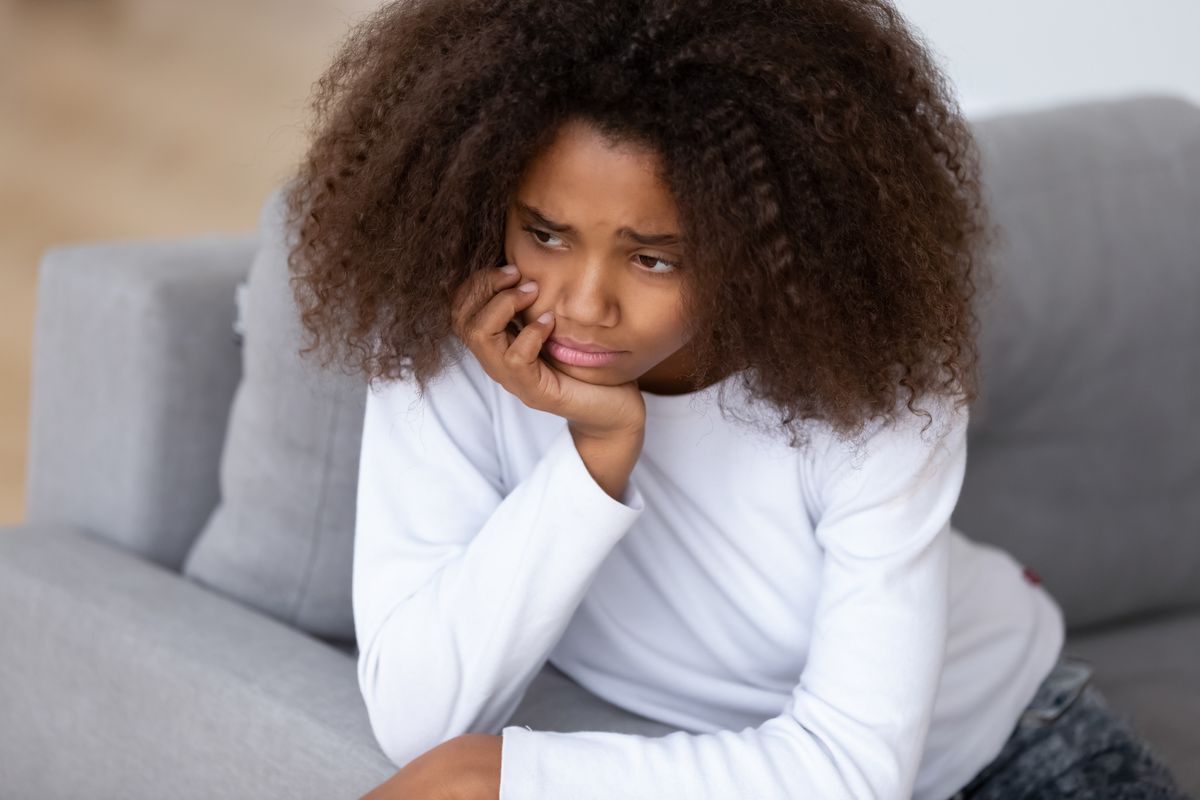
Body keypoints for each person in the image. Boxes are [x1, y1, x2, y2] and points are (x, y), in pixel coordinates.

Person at [281, 0, 1190, 797]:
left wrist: (507, 779)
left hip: (1009, 747)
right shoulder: (457, 345)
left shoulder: (877, 395)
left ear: (762, 244)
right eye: (547, 233)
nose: (582, 302)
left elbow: (849, 773)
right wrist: (594, 461)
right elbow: (417, 717)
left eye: (654, 257)